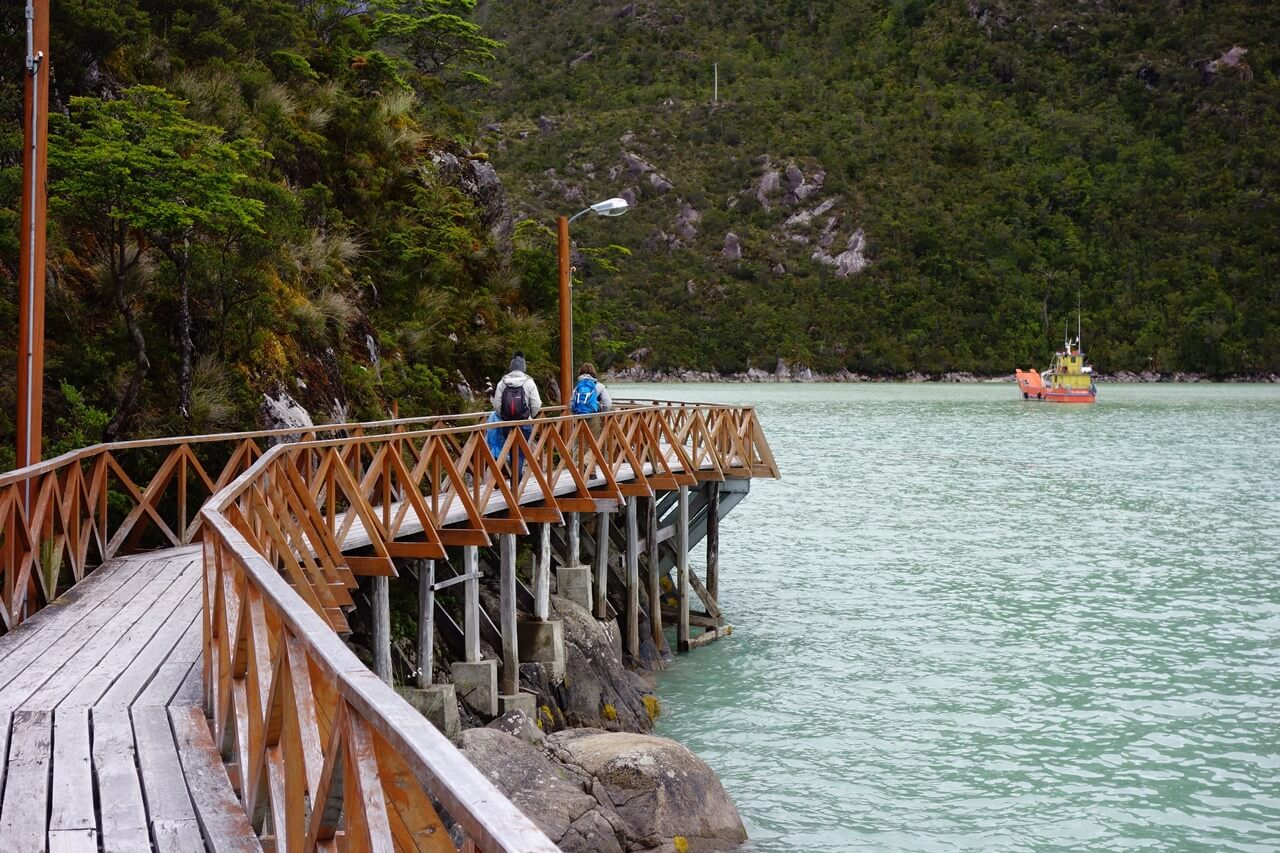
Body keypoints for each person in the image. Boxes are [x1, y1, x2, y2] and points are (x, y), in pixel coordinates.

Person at [488, 351, 541, 475]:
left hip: (507, 423)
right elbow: (536, 404)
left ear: (511, 367)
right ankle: (516, 482)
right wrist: (530, 415)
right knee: (521, 451)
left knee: (512, 450)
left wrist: (503, 416)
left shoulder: (502, 382)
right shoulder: (529, 382)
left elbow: (496, 404)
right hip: (524, 423)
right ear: (524, 367)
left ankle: (515, 480)